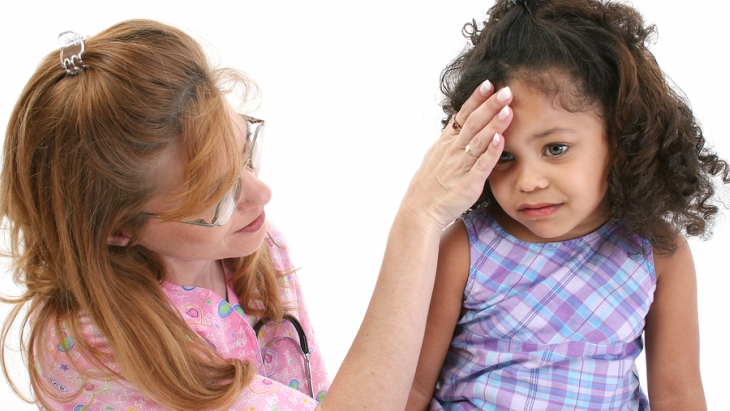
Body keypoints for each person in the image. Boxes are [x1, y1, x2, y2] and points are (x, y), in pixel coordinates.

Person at [0, 19, 514, 411]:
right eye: (216, 196)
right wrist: (418, 218)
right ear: (118, 229)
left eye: (246, 150)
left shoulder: (253, 246)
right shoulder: (97, 350)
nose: (262, 194)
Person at [405, 0, 729, 410]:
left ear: (620, 136)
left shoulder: (657, 253)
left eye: (555, 148)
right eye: (505, 156)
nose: (528, 181)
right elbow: (414, 388)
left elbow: (679, 395)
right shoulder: (464, 249)